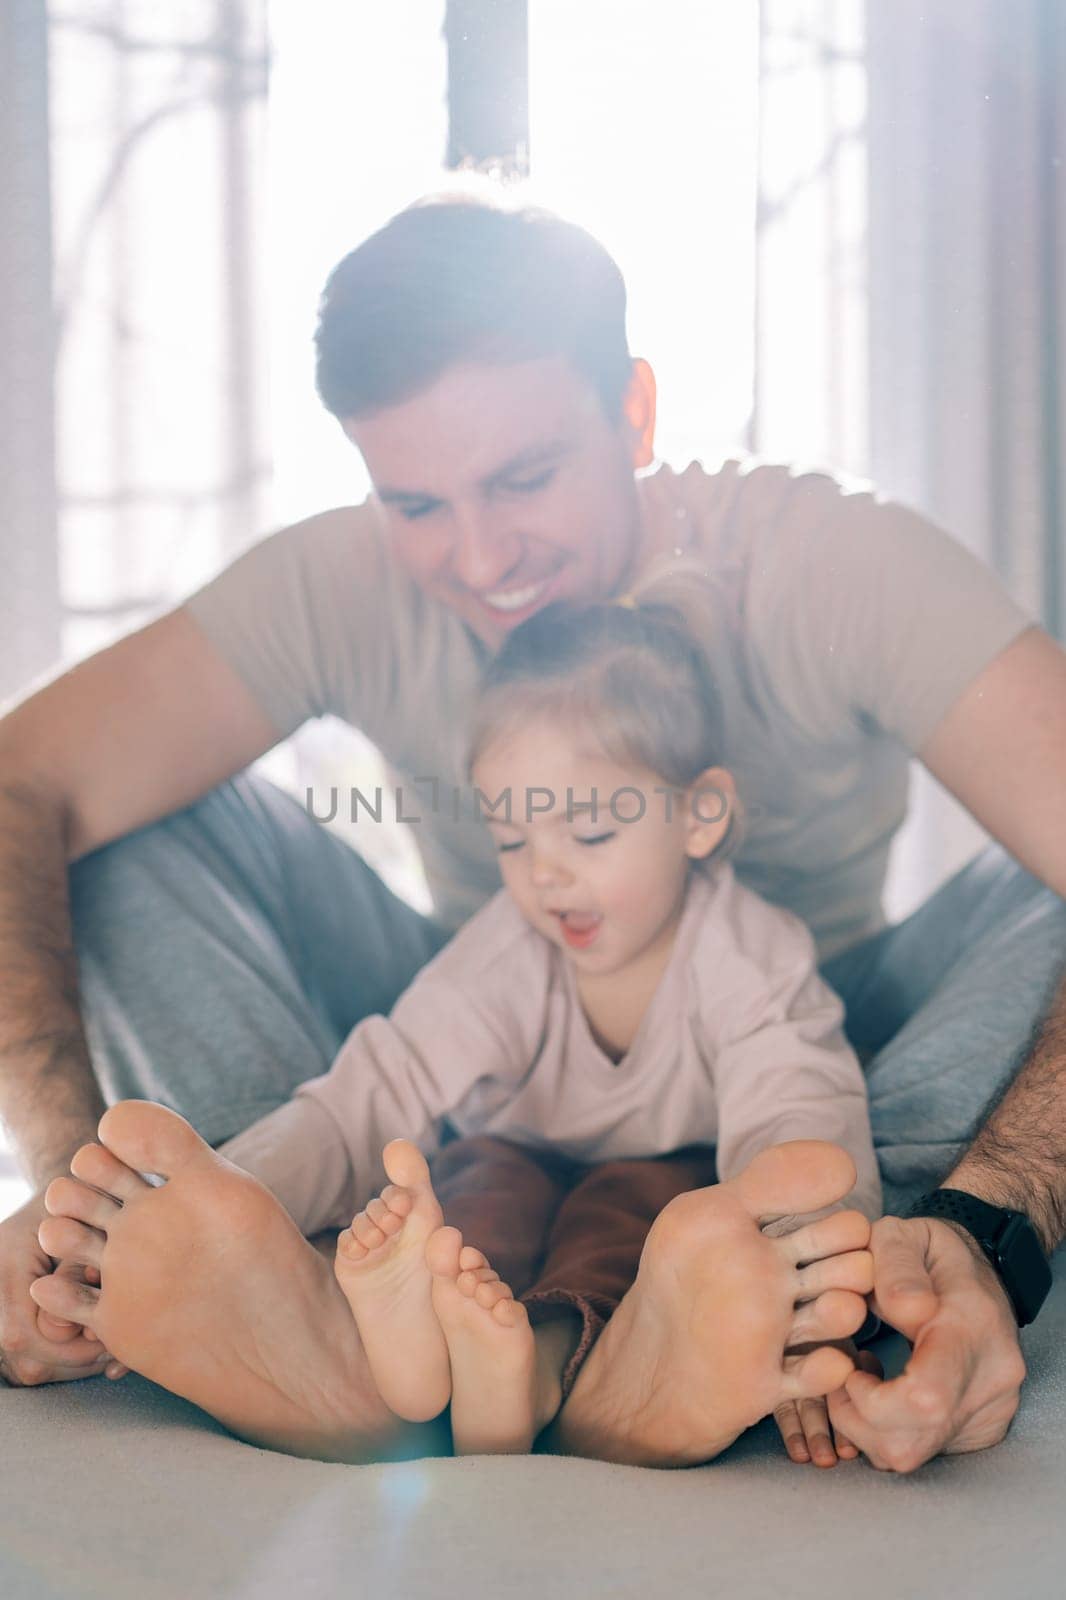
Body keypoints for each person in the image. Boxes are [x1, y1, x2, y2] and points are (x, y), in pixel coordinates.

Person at [1, 182, 1063, 1473]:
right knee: (114, 830)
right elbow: (23, 784)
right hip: (492, 1031)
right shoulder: (345, 595)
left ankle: (842, 1261)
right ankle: (238, 1240)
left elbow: (794, 1080)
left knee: (906, 1028)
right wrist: (75, 1197)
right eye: (417, 505)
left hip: (834, 1048)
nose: (480, 554)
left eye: (524, 477)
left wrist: (989, 1214)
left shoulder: (827, 563)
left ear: (633, 412)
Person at [33, 580, 883, 1463]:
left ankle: (558, 1376)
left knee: (643, 1227)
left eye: (590, 834)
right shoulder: (510, 949)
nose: (545, 875)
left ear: (700, 815)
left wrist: (803, 1297)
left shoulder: (750, 955)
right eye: (512, 841)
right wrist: (235, 1195)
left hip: (661, 1183)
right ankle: (383, 1363)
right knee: (454, 1216)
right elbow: (372, 1093)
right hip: (502, 1154)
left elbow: (797, 1115)